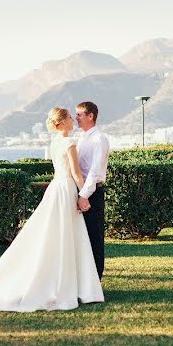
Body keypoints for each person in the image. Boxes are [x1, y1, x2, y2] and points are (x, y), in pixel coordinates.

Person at [0, 107, 104, 312]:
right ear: (62, 122)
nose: (73, 120)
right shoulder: (70, 143)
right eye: (70, 118)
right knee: (67, 234)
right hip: (66, 190)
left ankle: (66, 283)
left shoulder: (55, 143)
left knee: (55, 234)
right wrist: (84, 196)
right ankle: (72, 285)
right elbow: (75, 173)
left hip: (56, 189)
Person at [75, 101, 110, 280]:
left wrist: (83, 196)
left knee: (94, 238)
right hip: (80, 193)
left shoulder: (99, 139)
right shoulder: (81, 138)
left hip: (92, 194)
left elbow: (95, 172)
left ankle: (96, 281)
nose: (76, 118)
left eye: (79, 114)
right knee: (81, 239)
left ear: (91, 116)